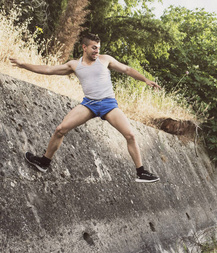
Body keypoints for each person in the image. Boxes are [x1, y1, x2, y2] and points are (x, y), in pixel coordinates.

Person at [9, 33, 160, 183]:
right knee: (60, 129)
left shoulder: (105, 60)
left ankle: (141, 172)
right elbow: (48, 70)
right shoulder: (74, 65)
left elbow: (127, 70)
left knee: (130, 135)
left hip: (108, 104)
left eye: (98, 48)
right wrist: (23, 65)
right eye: (94, 48)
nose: (97, 51)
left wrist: (145, 79)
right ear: (84, 47)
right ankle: (44, 162)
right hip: (89, 104)